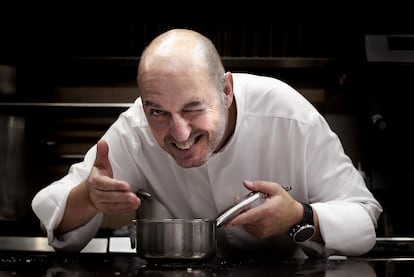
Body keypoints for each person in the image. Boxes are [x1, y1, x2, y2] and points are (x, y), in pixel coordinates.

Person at [31, 28, 382, 258]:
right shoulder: (135, 128)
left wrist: (299, 215)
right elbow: (52, 207)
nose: (179, 134)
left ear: (226, 91)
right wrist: (88, 197)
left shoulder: (289, 116)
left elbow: (364, 219)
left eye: (193, 108)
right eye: (158, 112)